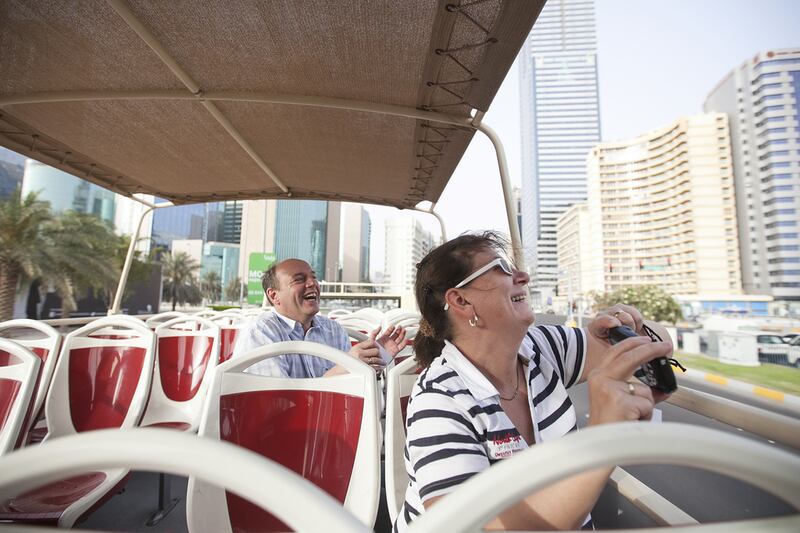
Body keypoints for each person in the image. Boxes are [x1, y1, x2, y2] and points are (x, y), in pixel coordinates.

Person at [394, 232, 674, 531]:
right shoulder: (438, 400)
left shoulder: (541, 346)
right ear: (461, 300)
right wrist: (601, 438)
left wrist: (628, 325)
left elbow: (660, 345)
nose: (523, 277)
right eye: (501, 268)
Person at [232, 258, 408, 377]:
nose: (312, 284)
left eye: (313, 278)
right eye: (299, 279)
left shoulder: (334, 330)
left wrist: (375, 358)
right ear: (274, 296)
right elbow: (279, 403)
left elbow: (354, 391)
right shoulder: (261, 333)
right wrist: (346, 366)